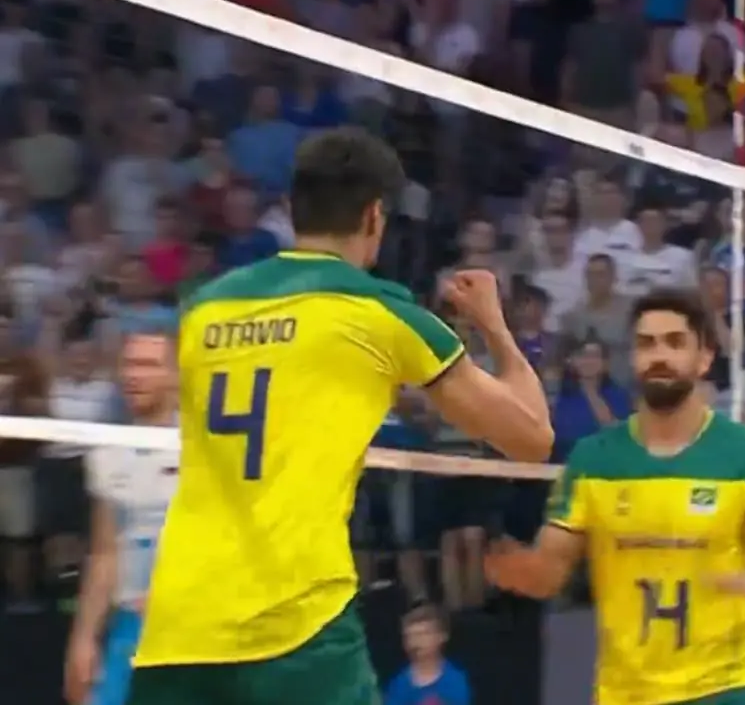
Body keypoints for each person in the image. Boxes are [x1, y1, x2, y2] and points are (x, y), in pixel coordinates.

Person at [125, 126, 553, 705]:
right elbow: (532, 438)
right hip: (296, 627)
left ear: (290, 208)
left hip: (178, 625)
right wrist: (494, 326)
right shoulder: (377, 312)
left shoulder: (204, 308)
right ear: (375, 216)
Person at [484, 288, 745, 705]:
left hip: (727, 685)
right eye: (647, 344)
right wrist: (520, 571)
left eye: (675, 343)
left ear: (704, 358)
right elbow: (551, 571)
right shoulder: (593, 459)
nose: (659, 356)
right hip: (627, 691)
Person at [63, 330, 180, 705]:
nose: (133, 375)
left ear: (177, 375)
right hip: (129, 626)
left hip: (192, 627)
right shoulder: (106, 452)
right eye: (129, 364)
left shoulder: (205, 447)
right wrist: (83, 640)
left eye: (148, 365)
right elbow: (104, 553)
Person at [381, 606, 470, 705]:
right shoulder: (397, 684)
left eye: (423, 634)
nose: (416, 641)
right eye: (409, 636)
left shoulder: (455, 680)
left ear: (441, 636)